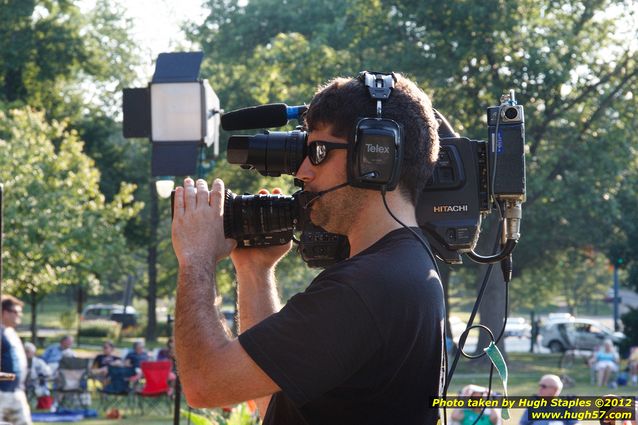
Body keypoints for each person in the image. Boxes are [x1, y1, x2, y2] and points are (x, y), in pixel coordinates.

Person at [172, 72, 443, 424]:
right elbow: (277, 406)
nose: (301, 172)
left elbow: (203, 384)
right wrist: (254, 271)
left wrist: (195, 258)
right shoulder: (400, 270)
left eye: (317, 152)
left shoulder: (368, 287)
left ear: (375, 157)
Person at [0, 295, 32, 425]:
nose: (19, 316)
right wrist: (9, 377)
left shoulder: (11, 333)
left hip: (16, 392)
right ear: (5, 313)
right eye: (16, 312)